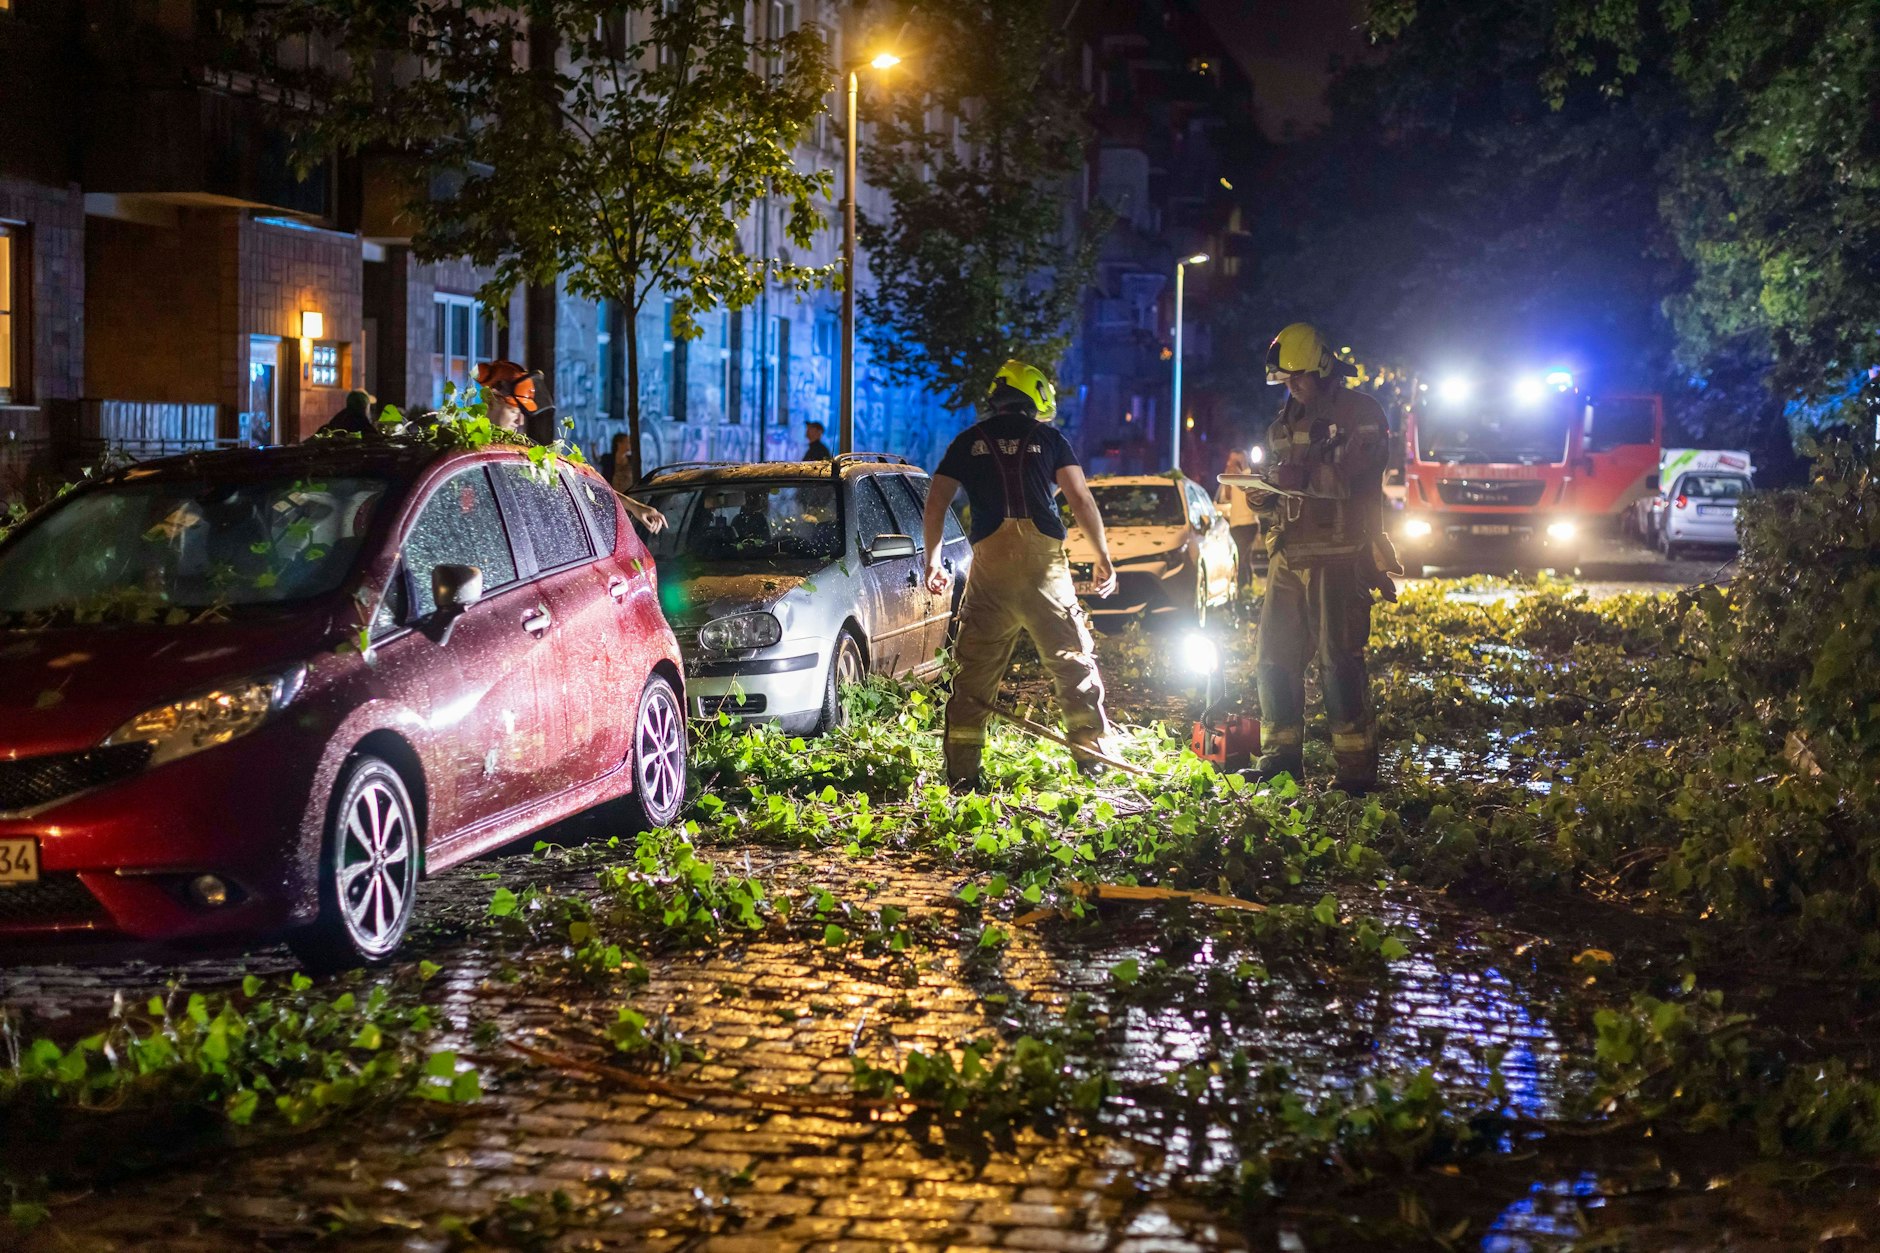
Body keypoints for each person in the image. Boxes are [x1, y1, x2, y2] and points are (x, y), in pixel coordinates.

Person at [921, 359, 1118, 790]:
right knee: (1070, 660)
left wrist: (932, 560)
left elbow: (936, 502)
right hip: (1043, 567)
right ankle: (1090, 757)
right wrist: (1103, 555)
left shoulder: (967, 440)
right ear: (1036, 397)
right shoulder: (1049, 439)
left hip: (989, 569)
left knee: (974, 669)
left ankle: (962, 774)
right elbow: (1080, 499)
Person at [1241, 323, 1396, 794]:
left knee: (1338, 660)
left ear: (1324, 368)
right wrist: (1263, 496)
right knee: (1273, 657)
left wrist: (1294, 476)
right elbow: (1284, 483)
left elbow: (1352, 478)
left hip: (1342, 552)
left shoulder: (1361, 414)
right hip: (1291, 553)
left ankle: (1355, 773)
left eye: (1300, 377)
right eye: (1286, 380)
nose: (1293, 386)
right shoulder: (1285, 419)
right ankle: (1280, 759)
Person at [1216, 448, 1261, 589]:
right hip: (1235, 525)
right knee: (1244, 558)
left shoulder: (1249, 476)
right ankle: (1247, 588)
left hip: (1248, 523)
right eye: (1231, 460)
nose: (1232, 463)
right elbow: (1227, 498)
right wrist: (1228, 477)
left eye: (1236, 460)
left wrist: (1236, 474)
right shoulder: (1231, 479)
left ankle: (1243, 588)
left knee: (1242, 557)